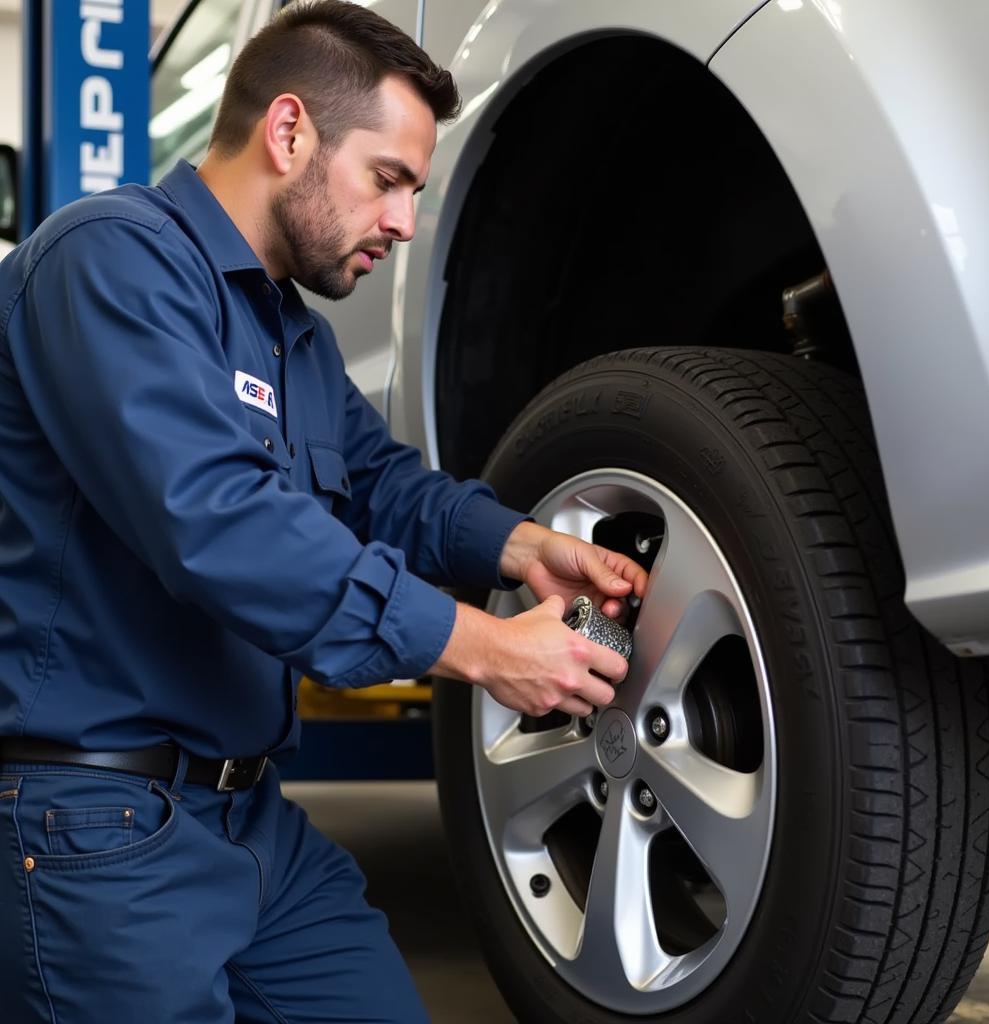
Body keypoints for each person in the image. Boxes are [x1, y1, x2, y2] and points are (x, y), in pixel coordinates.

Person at [0, 3, 648, 1022]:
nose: (402, 221)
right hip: (97, 828)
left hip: (251, 821)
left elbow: (383, 484)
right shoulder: (105, 264)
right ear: (289, 131)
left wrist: (519, 545)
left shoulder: (289, 333)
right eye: (386, 181)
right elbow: (219, 521)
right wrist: (478, 645)